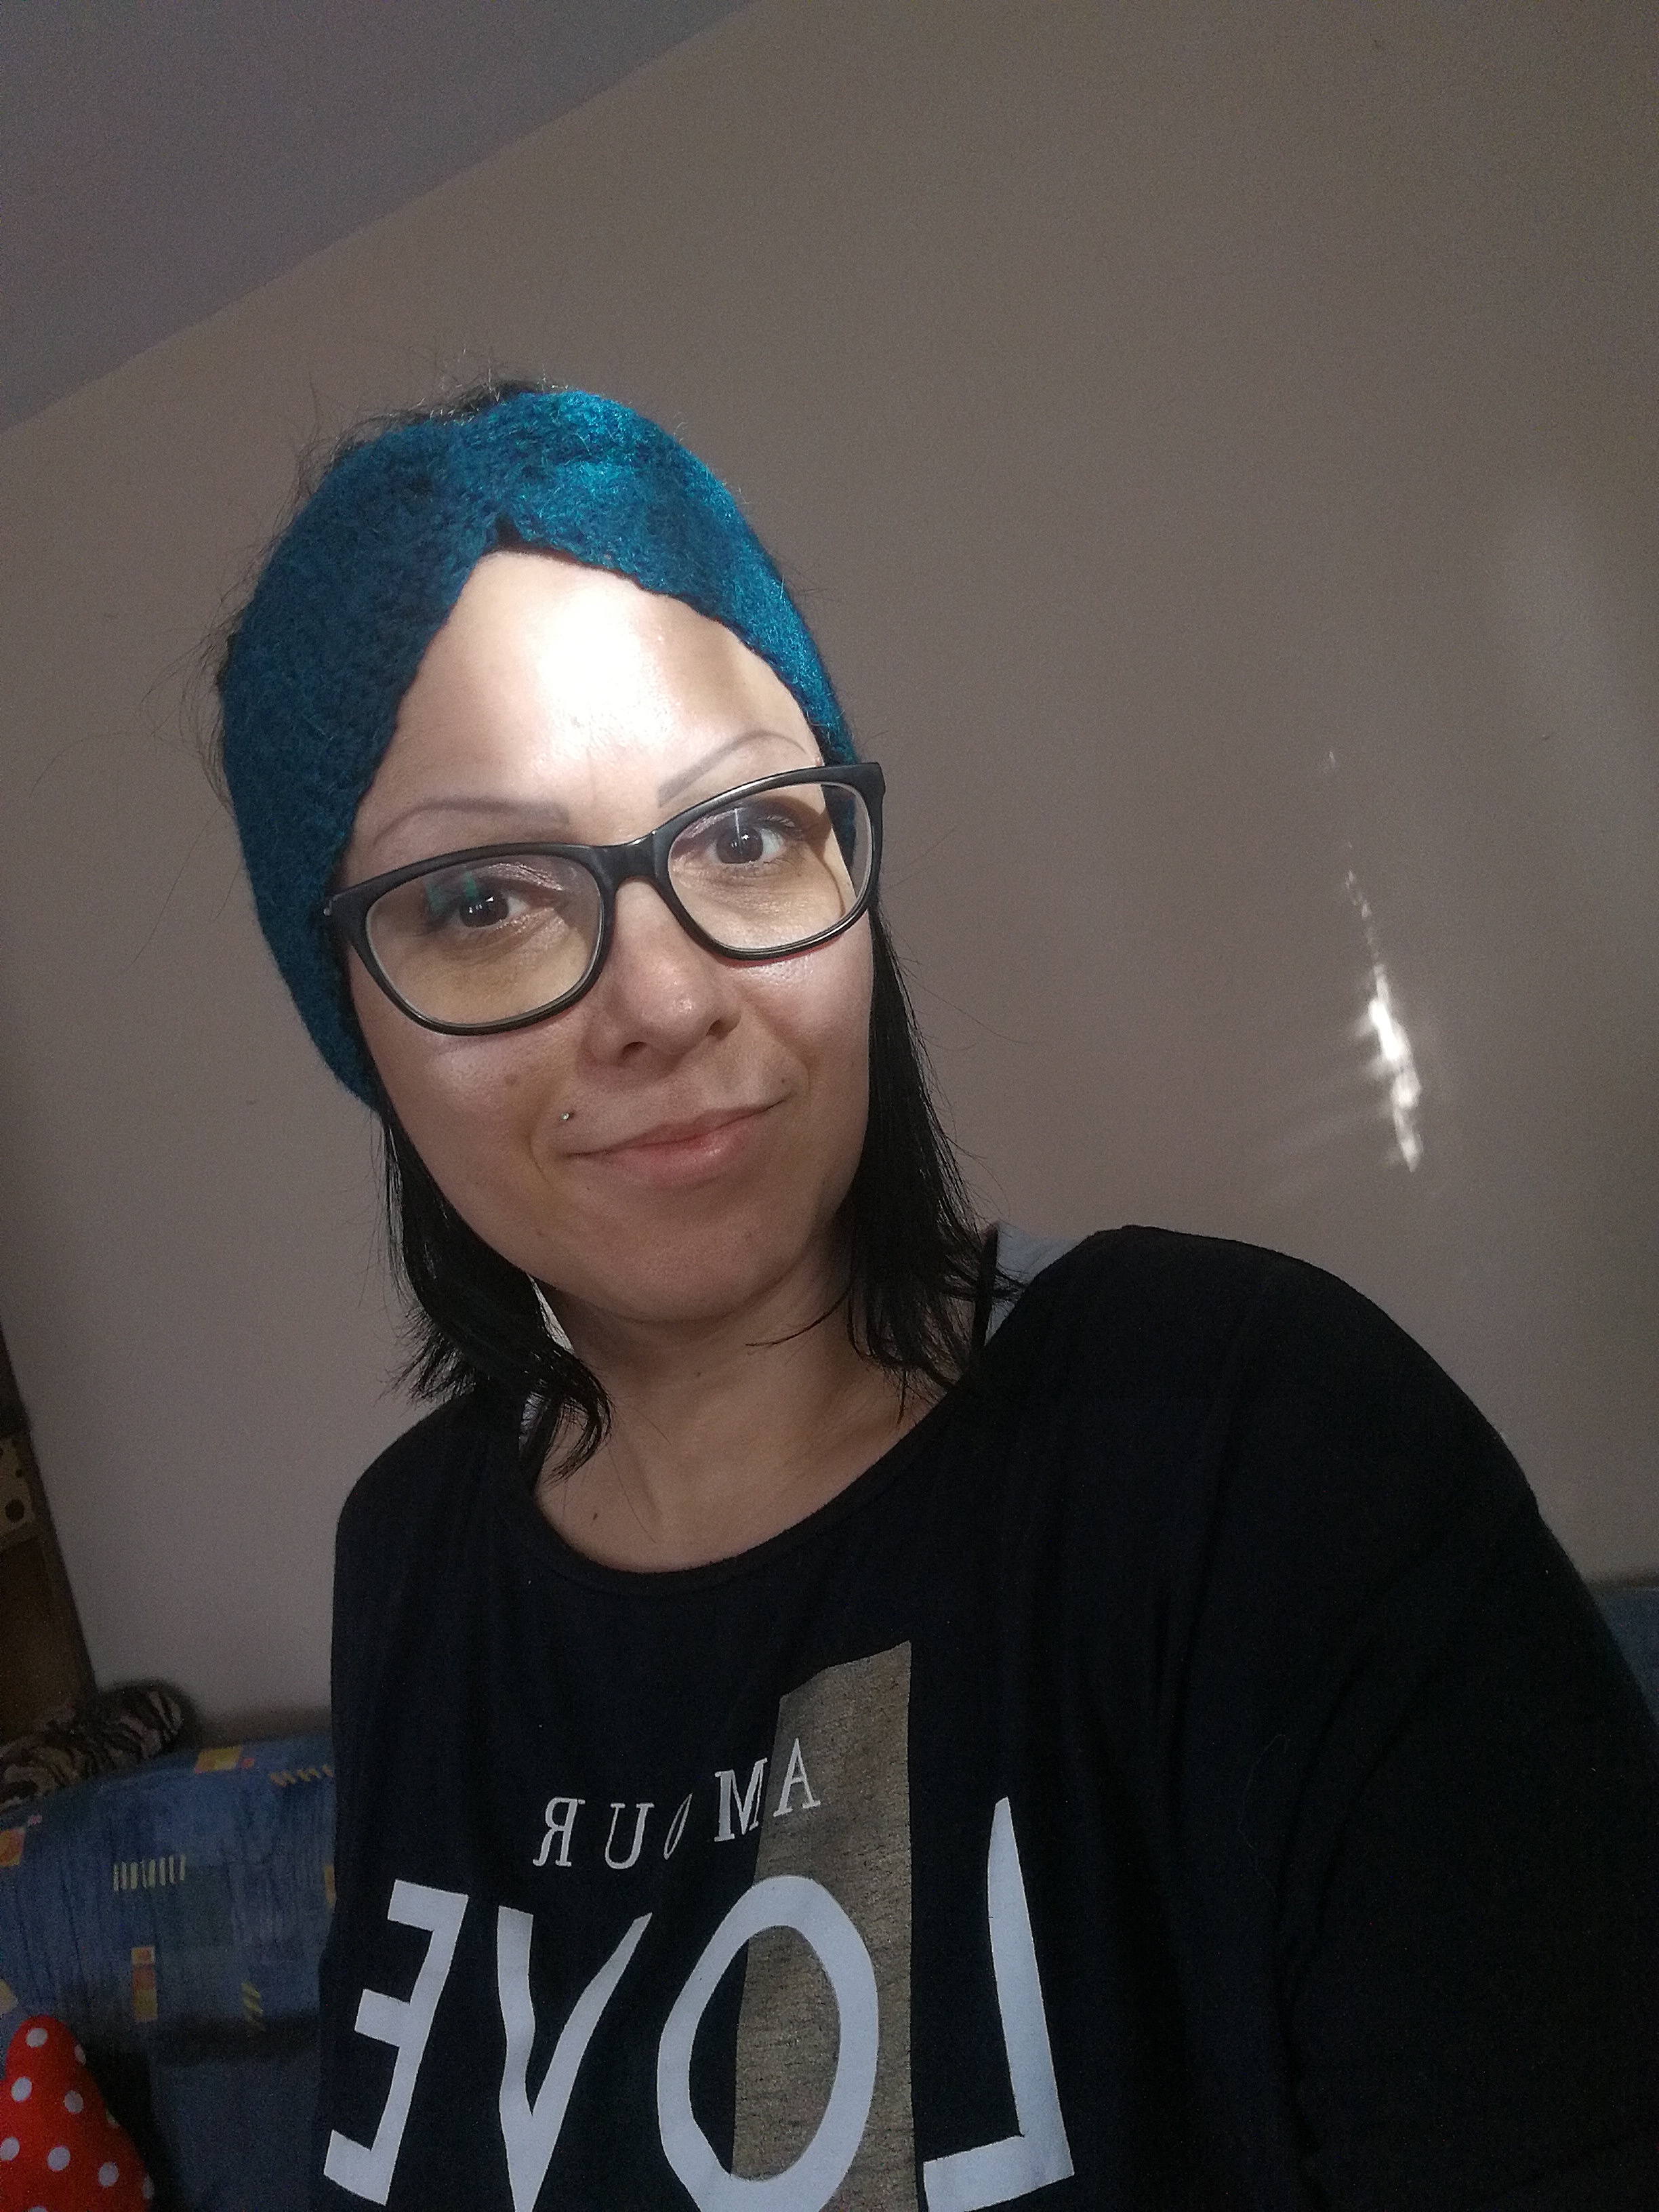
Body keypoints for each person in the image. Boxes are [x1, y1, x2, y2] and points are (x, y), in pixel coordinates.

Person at [216, 382, 1658, 2209]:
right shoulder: (411, 1557)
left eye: (746, 834)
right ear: (352, 1016)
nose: (665, 999)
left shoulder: (1251, 1456)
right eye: (482, 900)